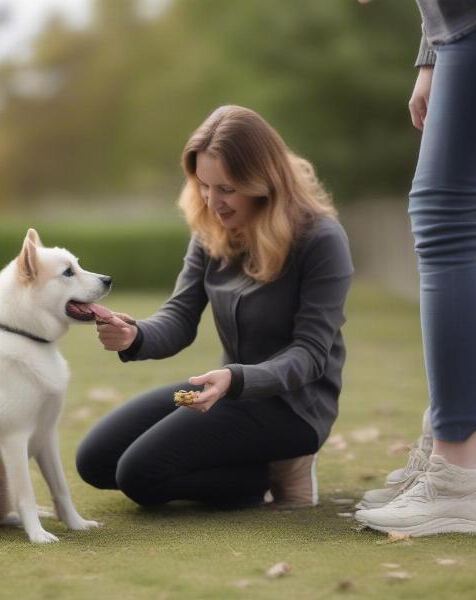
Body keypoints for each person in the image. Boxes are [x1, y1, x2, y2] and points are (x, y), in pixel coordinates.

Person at [76, 105, 354, 509]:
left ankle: (265, 474)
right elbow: (180, 316)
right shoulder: (212, 229)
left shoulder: (321, 239)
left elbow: (310, 355)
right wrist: (135, 335)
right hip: (225, 390)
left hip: (293, 408)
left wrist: (234, 378)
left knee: (139, 475)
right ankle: (250, 464)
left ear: (264, 181)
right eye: (204, 185)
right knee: (95, 461)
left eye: (226, 188)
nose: (212, 201)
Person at [356, 2, 476, 536]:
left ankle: (458, 473)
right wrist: (431, 57)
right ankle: (455, 447)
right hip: (458, 35)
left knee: (444, 222)